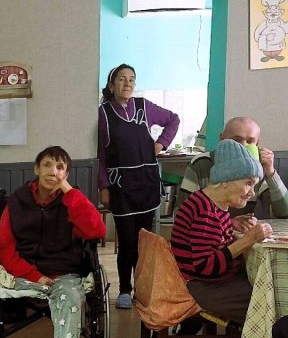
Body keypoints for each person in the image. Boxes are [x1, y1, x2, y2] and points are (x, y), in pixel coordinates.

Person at [0, 145, 106, 338]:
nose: (52, 171)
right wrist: (35, 275)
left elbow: (96, 230)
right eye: (47, 165)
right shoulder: (17, 202)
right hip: (24, 275)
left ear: (66, 174)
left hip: (63, 274)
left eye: (60, 167)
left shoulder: (72, 201)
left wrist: (69, 192)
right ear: (36, 168)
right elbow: (5, 249)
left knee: (71, 297)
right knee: (5, 285)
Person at [98, 63, 180, 309]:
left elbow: (173, 120)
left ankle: (143, 288)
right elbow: (101, 155)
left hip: (146, 184)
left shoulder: (144, 106)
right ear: (111, 85)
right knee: (127, 242)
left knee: (145, 242)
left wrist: (161, 144)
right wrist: (103, 187)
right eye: (121, 79)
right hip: (121, 187)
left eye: (131, 79)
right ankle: (125, 289)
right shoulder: (103, 114)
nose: (127, 83)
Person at [170, 139, 273, 324]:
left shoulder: (210, 202)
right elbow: (205, 267)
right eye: (248, 183)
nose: (251, 192)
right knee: (270, 301)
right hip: (205, 288)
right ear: (225, 181)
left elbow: (210, 238)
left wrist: (230, 226)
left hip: (209, 283)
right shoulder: (206, 212)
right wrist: (248, 239)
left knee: (266, 289)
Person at [174, 115, 288, 221]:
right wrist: (229, 224)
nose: (243, 146)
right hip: (208, 232)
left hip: (240, 232)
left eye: (250, 142)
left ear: (257, 144)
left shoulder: (257, 168)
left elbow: (284, 213)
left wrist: (270, 172)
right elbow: (183, 214)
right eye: (236, 141)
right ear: (222, 139)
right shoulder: (201, 163)